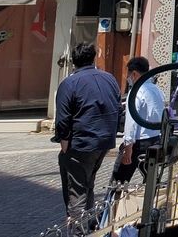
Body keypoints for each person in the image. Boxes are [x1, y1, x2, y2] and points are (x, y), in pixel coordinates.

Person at [52, 41, 122, 223]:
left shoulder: (69, 83)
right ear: (93, 57)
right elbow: (118, 109)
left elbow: (62, 119)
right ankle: (89, 226)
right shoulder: (109, 79)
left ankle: (80, 231)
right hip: (103, 142)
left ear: (74, 62)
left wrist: (64, 144)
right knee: (88, 184)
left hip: (81, 143)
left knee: (77, 191)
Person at [111, 57, 166, 185]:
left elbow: (131, 123)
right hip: (154, 140)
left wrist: (128, 149)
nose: (128, 78)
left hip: (138, 144)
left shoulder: (136, 92)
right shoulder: (156, 90)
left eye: (129, 74)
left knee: (118, 182)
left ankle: (112, 203)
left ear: (134, 73)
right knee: (151, 180)